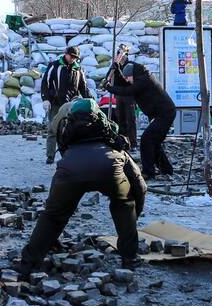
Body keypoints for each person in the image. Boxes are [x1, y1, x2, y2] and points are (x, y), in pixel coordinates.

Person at [16, 98, 146, 273]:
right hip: (109, 168)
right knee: (124, 205)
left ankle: (29, 263)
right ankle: (129, 258)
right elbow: (138, 181)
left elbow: (61, 149)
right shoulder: (109, 131)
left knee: (53, 216)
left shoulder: (66, 125)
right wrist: (135, 211)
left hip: (71, 169)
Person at [107, 52, 176, 180]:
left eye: (128, 77)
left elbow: (128, 91)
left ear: (132, 75)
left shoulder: (144, 80)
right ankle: (166, 169)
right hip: (161, 113)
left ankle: (148, 172)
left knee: (146, 140)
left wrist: (110, 88)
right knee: (154, 142)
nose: (127, 80)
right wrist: (114, 71)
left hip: (164, 114)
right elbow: (125, 85)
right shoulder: (141, 76)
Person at [40, 46, 90, 165]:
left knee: (69, 130)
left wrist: (89, 101)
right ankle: (50, 155)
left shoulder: (78, 69)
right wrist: (45, 99)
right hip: (56, 103)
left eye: (75, 57)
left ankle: (67, 155)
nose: (72, 59)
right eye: (71, 56)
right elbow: (45, 83)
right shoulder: (55, 66)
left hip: (71, 104)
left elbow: (83, 87)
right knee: (53, 129)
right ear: (65, 54)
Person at [109, 55, 137, 150]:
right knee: (120, 118)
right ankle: (122, 141)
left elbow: (126, 80)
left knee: (130, 118)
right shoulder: (115, 66)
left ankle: (132, 142)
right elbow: (108, 77)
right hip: (119, 95)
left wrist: (118, 70)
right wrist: (113, 68)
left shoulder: (130, 66)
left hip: (128, 95)